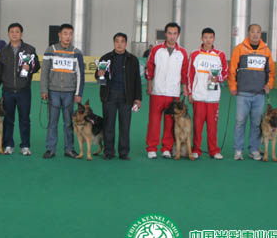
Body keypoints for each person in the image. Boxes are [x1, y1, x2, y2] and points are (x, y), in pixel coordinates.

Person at [228, 24, 275, 161]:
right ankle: (238, 150)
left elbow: (271, 72)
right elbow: (232, 69)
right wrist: (232, 86)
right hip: (242, 93)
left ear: (261, 34)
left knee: (256, 124)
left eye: (258, 32)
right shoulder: (239, 49)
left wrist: (269, 85)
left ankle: (254, 150)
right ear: (248, 33)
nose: (255, 34)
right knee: (240, 122)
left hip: (259, 94)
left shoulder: (266, 50)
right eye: (253, 32)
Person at [0, 23, 40, 156]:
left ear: (21, 34)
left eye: (17, 32)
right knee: (8, 119)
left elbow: (37, 66)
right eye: (12, 32)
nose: (14, 34)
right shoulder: (3, 51)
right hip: (7, 91)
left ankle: (25, 146)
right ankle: (8, 145)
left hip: (24, 90)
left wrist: (30, 68)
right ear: (8, 34)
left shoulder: (29, 49)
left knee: (24, 119)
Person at [144, 22, 189, 159]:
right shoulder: (156, 50)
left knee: (170, 123)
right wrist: (149, 85)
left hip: (173, 93)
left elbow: (184, 73)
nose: (172, 36)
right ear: (165, 34)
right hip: (157, 91)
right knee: (154, 122)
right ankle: (152, 148)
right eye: (169, 33)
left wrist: (184, 89)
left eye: (175, 33)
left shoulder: (182, 52)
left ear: (178, 35)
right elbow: (149, 68)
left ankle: (166, 149)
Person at [40, 23, 85, 159]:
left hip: (70, 93)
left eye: (70, 34)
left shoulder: (77, 52)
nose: (68, 37)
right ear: (59, 35)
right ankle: (50, 149)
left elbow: (80, 74)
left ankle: (69, 149)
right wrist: (44, 90)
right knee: (52, 122)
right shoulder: (50, 50)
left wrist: (78, 93)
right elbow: (44, 72)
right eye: (65, 34)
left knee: (69, 123)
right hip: (53, 92)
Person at [95, 32, 142, 160]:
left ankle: (124, 152)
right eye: (117, 41)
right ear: (114, 43)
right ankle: (109, 152)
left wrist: (138, 98)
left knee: (125, 127)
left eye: (122, 41)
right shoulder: (105, 58)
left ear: (126, 44)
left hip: (127, 97)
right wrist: (100, 74)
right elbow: (100, 80)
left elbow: (137, 81)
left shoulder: (133, 60)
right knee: (108, 126)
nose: (119, 44)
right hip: (109, 96)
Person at [188, 27, 228, 160]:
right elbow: (190, 75)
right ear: (201, 38)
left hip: (213, 97)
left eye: (210, 37)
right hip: (198, 96)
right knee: (197, 125)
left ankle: (213, 150)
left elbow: (225, 73)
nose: (208, 40)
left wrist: (218, 78)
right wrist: (190, 93)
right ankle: (196, 149)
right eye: (205, 37)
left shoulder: (220, 55)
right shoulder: (194, 54)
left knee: (212, 126)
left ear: (214, 39)